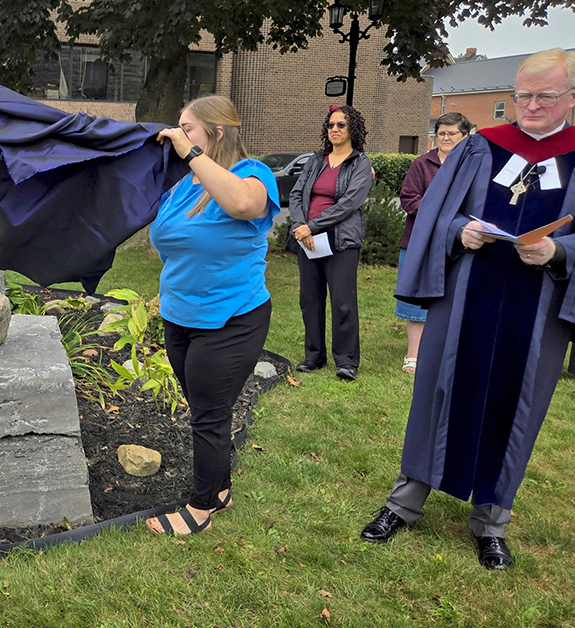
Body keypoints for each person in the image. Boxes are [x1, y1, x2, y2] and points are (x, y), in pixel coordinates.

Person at [360, 48, 575, 571]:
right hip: (464, 301)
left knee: (517, 407)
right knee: (437, 391)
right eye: (522, 95)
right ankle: (403, 503)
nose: (530, 106)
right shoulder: (481, 148)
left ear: (569, 97)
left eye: (544, 96)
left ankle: (491, 523)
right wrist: (462, 231)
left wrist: (560, 251)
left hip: (538, 311)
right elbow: (438, 213)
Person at [142, 95, 279, 536]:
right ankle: (220, 488)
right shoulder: (184, 185)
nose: (176, 135)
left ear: (216, 133)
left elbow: (242, 205)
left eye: (187, 128)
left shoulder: (252, 174)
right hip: (180, 315)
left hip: (232, 318)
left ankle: (201, 508)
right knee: (206, 409)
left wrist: (191, 154)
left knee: (208, 413)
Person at [287, 105, 373, 381]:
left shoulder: (360, 163)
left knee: (342, 301)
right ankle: (313, 356)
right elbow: (298, 194)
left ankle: (346, 361)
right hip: (308, 240)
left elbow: (349, 203)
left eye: (341, 125)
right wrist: (301, 227)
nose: (334, 129)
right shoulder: (316, 161)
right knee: (309, 300)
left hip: (341, 240)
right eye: (330, 125)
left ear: (353, 129)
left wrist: (311, 226)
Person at [396, 112, 473, 373]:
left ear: (465, 136)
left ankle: (445, 353)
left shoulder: (472, 166)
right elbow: (408, 199)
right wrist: (441, 218)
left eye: (452, 133)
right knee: (415, 298)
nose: (445, 137)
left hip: (459, 243)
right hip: (420, 241)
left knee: (453, 298)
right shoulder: (422, 164)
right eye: (441, 133)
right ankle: (413, 355)